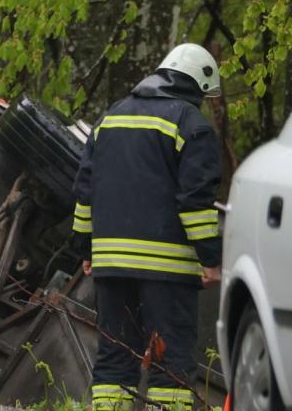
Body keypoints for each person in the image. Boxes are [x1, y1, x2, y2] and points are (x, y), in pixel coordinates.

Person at [72, 44, 223, 410]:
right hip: (167, 271)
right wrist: (211, 259)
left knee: (114, 357)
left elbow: (85, 191)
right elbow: (195, 203)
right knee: (170, 364)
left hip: (111, 264)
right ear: (198, 84)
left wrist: (85, 249)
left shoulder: (111, 118)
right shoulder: (192, 125)